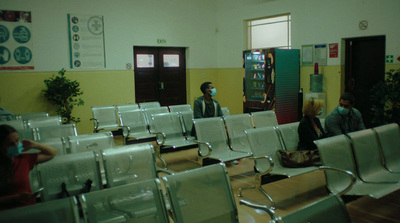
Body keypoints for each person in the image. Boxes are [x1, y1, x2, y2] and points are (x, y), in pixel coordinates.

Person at [0, 124, 57, 210]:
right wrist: (16, 198)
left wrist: (34, 145)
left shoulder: (23, 159)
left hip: (29, 209)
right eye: (11, 144)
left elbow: (52, 152)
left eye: (17, 141)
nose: (16, 145)